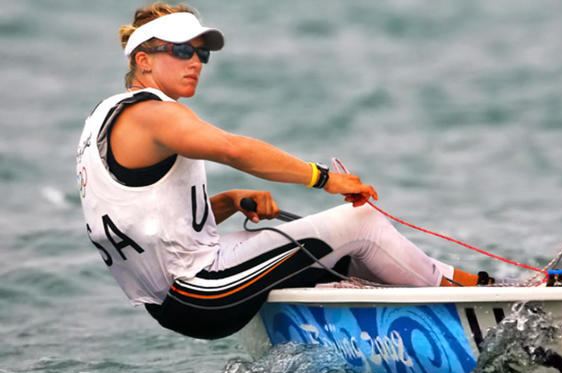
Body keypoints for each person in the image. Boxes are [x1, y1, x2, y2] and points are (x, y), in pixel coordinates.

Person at [76, 2, 493, 340]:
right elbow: (232, 149)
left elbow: (148, 226)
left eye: (201, 53)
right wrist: (324, 178)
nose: (196, 62)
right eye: (182, 51)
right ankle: (481, 300)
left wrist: (227, 201)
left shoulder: (102, 119)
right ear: (144, 61)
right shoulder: (155, 115)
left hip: (171, 302)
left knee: (339, 249)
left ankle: (412, 310)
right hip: (200, 294)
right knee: (360, 222)